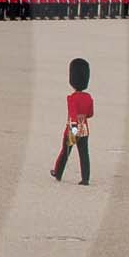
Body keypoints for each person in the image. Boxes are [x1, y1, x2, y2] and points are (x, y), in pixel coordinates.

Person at [50, 57, 93, 185]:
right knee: (84, 154)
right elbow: (90, 114)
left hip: (73, 128)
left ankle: (58, 173)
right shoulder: (88, 97)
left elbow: (73, 115)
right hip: (83, 128)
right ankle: (85, 179)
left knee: (65, 152)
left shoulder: (72, 98)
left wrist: (73, 129)